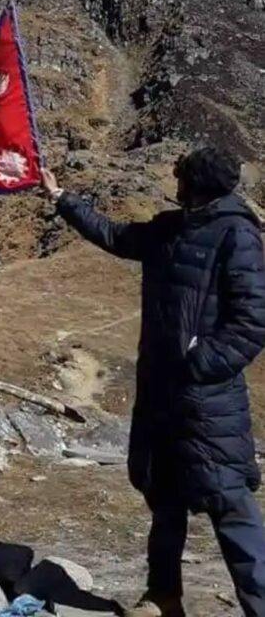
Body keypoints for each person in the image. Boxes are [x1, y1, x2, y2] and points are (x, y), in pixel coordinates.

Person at [41, 147, 265, 617]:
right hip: (160, 392)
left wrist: (199, 363)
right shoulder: (169, 228)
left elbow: (251, 322)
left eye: (180, 176)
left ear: (197, 185)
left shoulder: (237, 235)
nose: (174, 182)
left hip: (207, 401)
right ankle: (164, 596)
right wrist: (62, 198)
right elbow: (115, 235)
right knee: (163, 496)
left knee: (229, 503)